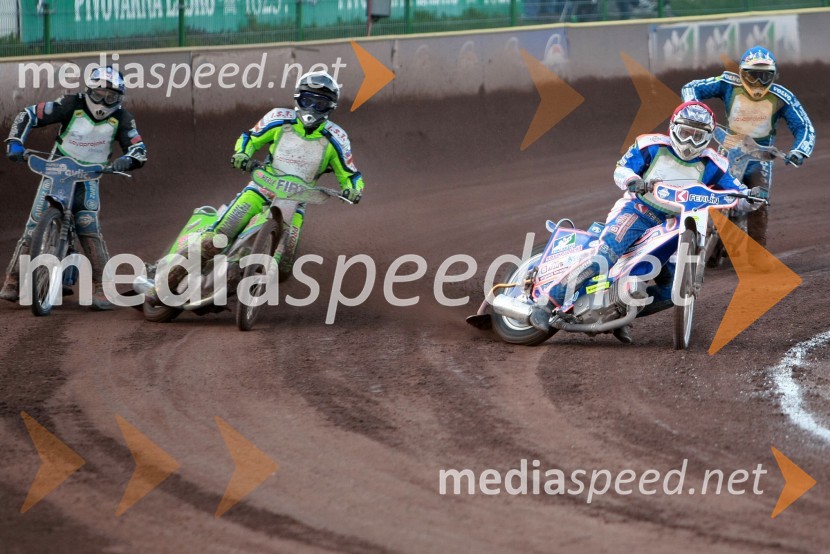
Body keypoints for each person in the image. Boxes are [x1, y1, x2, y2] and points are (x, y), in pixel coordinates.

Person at [529, 101, 761, 343]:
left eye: (698, 136)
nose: (691, 141)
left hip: (675, 226)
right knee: (605, 255)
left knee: (673, 291)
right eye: (686, 133)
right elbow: (622, 168)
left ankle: (615, 314)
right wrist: (632, 180)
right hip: (638, 211)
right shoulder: (651, 146)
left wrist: (753, 197)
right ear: (673, 128)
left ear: (708, 137)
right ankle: (545, 305)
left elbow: (738, 195)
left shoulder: (714, 164)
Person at [161, 70, 363, 295]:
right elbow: (250, 137)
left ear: (331, 107)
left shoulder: (337, 138)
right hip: (261, 189)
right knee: (215, 239)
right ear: (298, 98)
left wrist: (353, 189)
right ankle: (162, 287)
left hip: (296, 202)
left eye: (321, 103)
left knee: (284, 267)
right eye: (308, 100)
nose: (313, 108)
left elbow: (350, 173)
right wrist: (242, 154)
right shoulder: (278, 118)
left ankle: (243, 271)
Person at [2, 66, 147, 309]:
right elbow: (28, 114)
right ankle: (13, 280)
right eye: (99, 94)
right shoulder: (70, 104)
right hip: (56, 169)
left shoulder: (123, 118)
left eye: (111, 97)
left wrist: (128, 159)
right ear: (89, 90)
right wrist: (15, 142)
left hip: (89, 176)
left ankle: (103, 287)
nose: (104, 101)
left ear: (119, 99)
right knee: (35, 223)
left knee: (88, 226)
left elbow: (138, 148)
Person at [681, 46, 815, 247]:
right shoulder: (728, 84)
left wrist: (799, 150)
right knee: (708, 190)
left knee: (758, 202)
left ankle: (756, 250)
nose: (758, 82)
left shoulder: (782, 97)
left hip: (759, 158)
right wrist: (694, 108)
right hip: (728, 151)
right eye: (753, 76)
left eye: (764, 76)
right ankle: (693, 238)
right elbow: (691, 87)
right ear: (742, 73)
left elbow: (803, 126)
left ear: (774, 76)